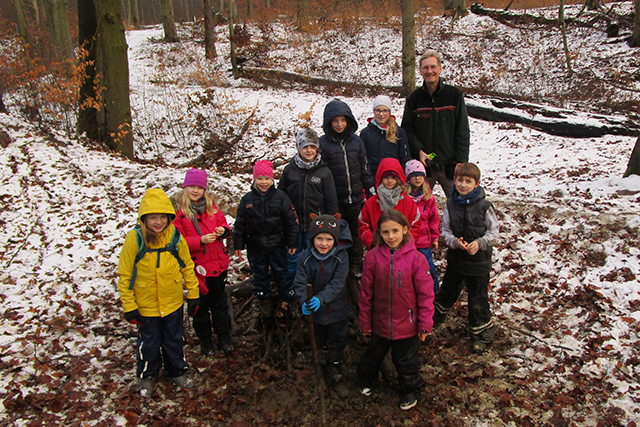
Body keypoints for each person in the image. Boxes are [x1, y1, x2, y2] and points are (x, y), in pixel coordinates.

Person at [117, 188, 200, 397]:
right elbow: (125, 275)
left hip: (172, 302)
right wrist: (129, 306)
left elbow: (187, 266)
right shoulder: (134, 239)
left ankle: (176, 371)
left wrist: (193, 293)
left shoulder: (174, 237)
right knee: (149, 342)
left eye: (162, 217)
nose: (158, 222)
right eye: (152, 217)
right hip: (146, 305)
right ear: (144, 218)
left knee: (174, 338)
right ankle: (147, 375)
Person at [357, 209, 435, 411]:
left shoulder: (416, 259)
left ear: (405, 230)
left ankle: (411, 391)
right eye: (385, 232)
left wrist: (425, 323)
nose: (390, 236)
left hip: (407, 325)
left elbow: (426, 295)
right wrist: (365, 322)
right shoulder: (373, 258)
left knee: (406, 362)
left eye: (395, 231)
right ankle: (366, 382)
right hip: (380, 323)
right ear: (379, 233)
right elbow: (366, 294)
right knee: (371, 357)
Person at [432, 163, 499, 354]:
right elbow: (446, 229)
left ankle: (481, 332)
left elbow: (493, 232)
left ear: (477, 184)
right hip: (457, 258)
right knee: (448, 290)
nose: (463, 184)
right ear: (454, 180)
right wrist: (454, 242)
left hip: (479, 262)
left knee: (478, 297)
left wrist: (479, 244)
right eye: (460, 180)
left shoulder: (485, 206)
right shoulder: (451, 204)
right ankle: (435, 319)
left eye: (468, 181)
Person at [173, 169, 234, 357]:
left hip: (217, 266)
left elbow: (224, 225)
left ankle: (224, 337)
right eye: (192, 186)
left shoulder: (212, 209)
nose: (195, 190)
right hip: (196, 269)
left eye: (199, 187)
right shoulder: (180, 213)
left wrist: (223, 231)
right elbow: (176, 241)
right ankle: (205, 341)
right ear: (185, 187)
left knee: (220, 305)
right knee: (200, 308)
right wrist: (199, 241)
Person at [233, 160, 299, 320]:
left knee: (281, 272)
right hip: (255, 246)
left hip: (277, 244)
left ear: (272, 180)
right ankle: (264, 300)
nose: (264, 182)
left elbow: (291, 222)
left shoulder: (281, 197)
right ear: (254, 180)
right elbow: (240, 223)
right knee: (259, 273)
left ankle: (290, 298)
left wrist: (292, 242)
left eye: (267, 179)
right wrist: (238, 244)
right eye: (260, 179)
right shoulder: (247, 200)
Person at [401, 50, 470, 198]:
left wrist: (462, 161)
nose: (429, 71)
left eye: (433, 67)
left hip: (450, 166)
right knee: (419, 207)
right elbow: (407, 129)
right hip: (425, 167)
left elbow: (462, 130)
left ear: (440, 68)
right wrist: (419, 150)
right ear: (420, 71)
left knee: (460, 205)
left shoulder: (454, 95)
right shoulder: (414, 99)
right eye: (425, 68)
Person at [319, 99, 375, 278]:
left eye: (343, 120)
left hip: (356, 197)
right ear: (329, 122)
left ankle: (356, 264)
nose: (339, 124)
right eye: (335, 121)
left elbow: (364, 168)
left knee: (356, 231)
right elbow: (321, 172)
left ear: (349, 121)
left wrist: (371, 190)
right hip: (335, 199)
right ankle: (338, 265)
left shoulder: (356, 142)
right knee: (336, 232)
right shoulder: (323, 144)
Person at [294, 214, 351, 384]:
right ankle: (322, 356)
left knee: (338, 337)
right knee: (320, 336)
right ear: (312, 238)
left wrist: (321, 298)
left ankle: (335, 364)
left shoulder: (341, 257)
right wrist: (304, 300)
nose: (324, 243)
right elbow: (300, 282)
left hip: (337, 309)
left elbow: (338, 283)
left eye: (328, 239)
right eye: (319, 238)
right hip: (316, 312)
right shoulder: (304, 258)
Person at [278, 128, 339, 278]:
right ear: (299, 148)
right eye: (305, 147)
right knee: (293, 256)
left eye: (313, 147)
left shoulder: (324, 172)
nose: (309, 150)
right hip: (293, 224)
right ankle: (294, 287)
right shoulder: (289, 170)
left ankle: (313, 285)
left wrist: (330, 224)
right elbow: (281, 196)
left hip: (316, 224)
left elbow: (331, 200)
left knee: (314, 255)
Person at [358, 157, 421, 250]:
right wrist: (373, 243)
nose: (390, 181)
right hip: (378, 249)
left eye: (393, 178)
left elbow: (415, 225)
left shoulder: (408, 202)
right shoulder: (371, 203)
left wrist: (405, 243)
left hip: (403, 249)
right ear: (380, 178)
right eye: (386, 177)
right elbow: (363, 225)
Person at [404, 160, 441, 294]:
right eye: (414, 176)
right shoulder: (404, 196)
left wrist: (435, 237)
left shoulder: (428, 195)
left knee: (429, 268)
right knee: (409, 268)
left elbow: (434, 218)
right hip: (408, 240)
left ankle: (435, 292)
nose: (417, 178)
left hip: (424, 240)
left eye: (420, 175)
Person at [360, 95, 412, 179]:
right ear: (373, 111)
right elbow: (363, 159)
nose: (381, 114)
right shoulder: (366, 133)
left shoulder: (398, 132)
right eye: (378, 110)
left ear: (389, 112)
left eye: (385, 111)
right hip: (374, 176)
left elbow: (404, 157)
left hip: (394, 177)